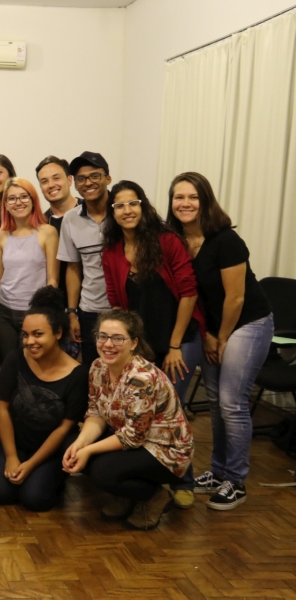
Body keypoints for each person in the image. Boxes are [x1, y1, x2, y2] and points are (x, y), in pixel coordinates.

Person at [166, 172, 273, 511]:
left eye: (192, 197)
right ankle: (218, 471)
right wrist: (209, 335)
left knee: (231, 402)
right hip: (213, 328)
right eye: (178, 197)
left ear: (206, 201)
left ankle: (236, 481)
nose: (185, 203)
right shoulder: (177, 240)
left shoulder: (226, 240)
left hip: (248, 323)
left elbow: (236, 298)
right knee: (214, 402)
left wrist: (221, 338)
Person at [102, 181, 203, 509]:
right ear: (112, 212)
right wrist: (126, 349)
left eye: (133, 203)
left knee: (172, 413)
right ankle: (146, 482)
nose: (127, 210)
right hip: (141, 346)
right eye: (119, 205)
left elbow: (188, 292)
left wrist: (174, 345)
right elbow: (119, 306)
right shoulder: (112, 251)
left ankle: (183, 479)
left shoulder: (167, 241)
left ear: (143, 206)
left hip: (178, 341)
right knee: (140, 415)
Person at [63, 311, 193, 530]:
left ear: (134, 343)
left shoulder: (141, 378)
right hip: (129, 437)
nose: (108, 344)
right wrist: (80, 444)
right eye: (102, 336)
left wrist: (88, 450)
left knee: (102, 472)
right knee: (71, 446)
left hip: (166, 450)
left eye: (117, 338)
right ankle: (127, 495)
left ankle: (155, 496)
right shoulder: (97, 367)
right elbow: (96, 413)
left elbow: (133, 438)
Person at [0, 287, 87, 512]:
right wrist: (11, 456)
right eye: (25, 335)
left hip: (49, 448)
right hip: (16, 441)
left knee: (35, 500)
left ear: (58, 333)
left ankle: (55, 478)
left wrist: (31, 465)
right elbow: (2, 409)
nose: (30, 341)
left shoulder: (78, 374)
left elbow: (65, 427)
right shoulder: (15, 359)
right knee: (0, 493)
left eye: (38, 334)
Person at [0, 177, 59, 362]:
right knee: (8, 363)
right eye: (12, 198)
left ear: (33, 200)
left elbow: (52, 279)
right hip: (4, 312)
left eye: (24, 196)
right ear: (5, 204)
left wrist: (47, 315)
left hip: (34, 311)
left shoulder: (47, 232)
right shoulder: (0, 236)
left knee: (32, 364)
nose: (18, 202)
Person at [58, 151, 113, 367]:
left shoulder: (123, 212)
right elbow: (73, 268)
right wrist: (72, 313)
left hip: (124, 309)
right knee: (95, 371)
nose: (88, 183)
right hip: (90, 309)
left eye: (94, 176)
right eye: (81, 179)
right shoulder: (71, 219)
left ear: (108, 178)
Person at [36, 156, 82, 300]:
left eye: (56, 178)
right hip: (56, 302)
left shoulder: (89, 213)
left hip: (91, 303)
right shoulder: (40, 224)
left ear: (69, 180)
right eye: (44, 181)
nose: (51, 185)